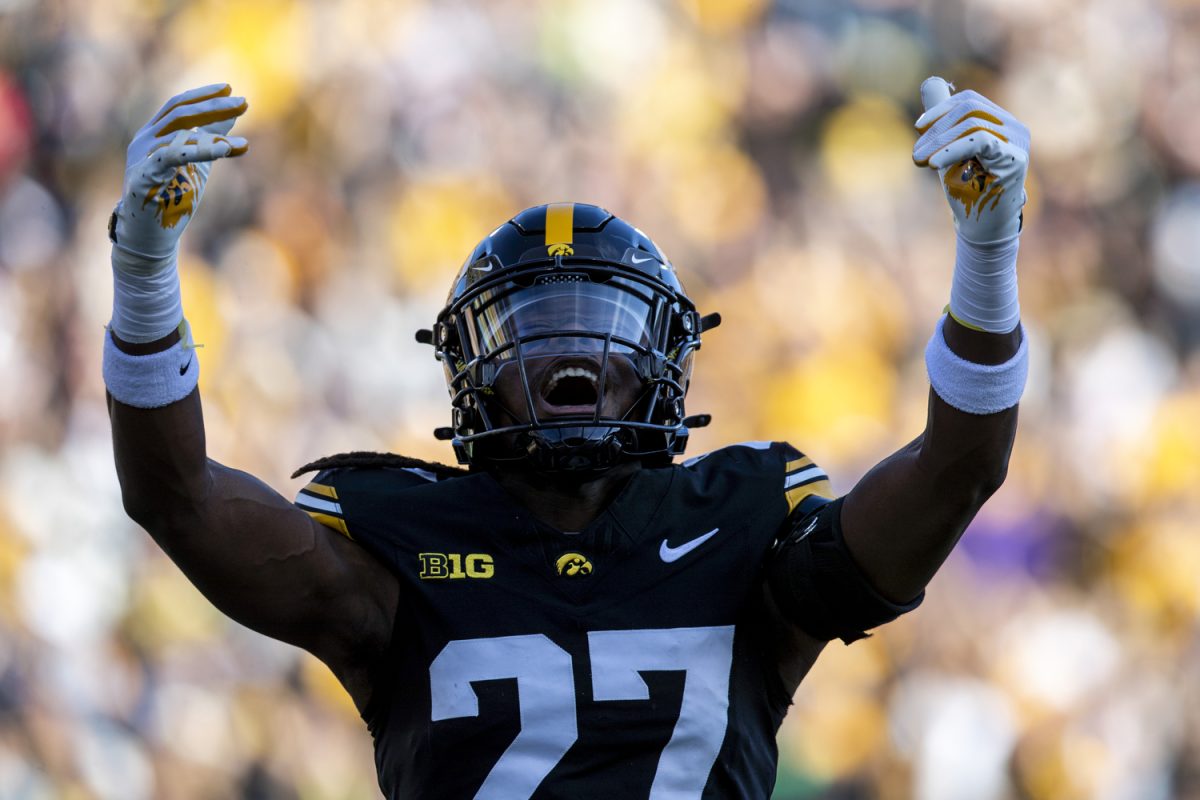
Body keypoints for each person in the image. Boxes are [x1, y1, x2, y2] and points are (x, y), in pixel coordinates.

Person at [103, 77, 1030, 798]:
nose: (569, 353)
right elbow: (174, 499)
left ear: (665, 354)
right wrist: (142, 278)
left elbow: (961, 468)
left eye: (605, 327)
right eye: (528, 331)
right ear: (471, 371)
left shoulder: (742, 520)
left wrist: (988, 263)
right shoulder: (400, 544)